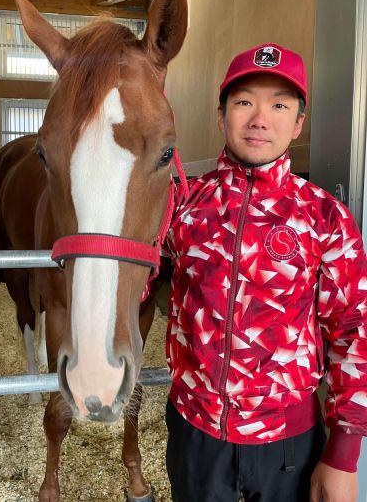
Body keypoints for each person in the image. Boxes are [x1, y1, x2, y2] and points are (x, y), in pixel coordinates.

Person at [154, 43, 367, 502]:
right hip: (195, 436)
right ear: (221, 115)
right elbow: (134, 282)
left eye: (279, 104)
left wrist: (344, 455)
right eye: (245, 101)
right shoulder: (180, 205)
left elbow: (352, 331)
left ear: (298, 123)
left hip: (288, 444)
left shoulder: (325, 217)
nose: (259, 118)